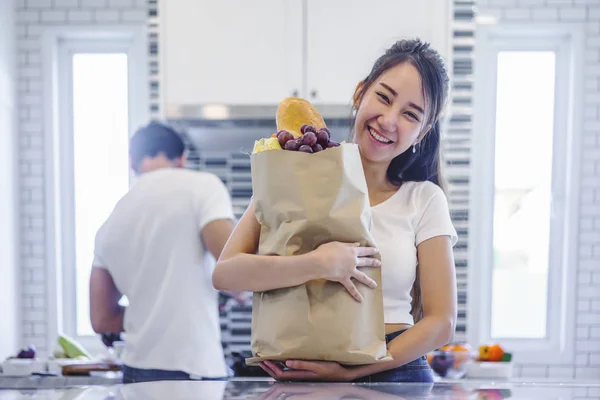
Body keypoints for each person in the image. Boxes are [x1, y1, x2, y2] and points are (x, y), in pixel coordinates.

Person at [212, 38, 458, 382]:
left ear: (422, 133)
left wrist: (350, 373)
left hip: (394, 372)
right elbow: (225, 274)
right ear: (360, 94)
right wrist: (316, 264)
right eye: (384, 97)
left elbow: (442, 323)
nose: (389, 120)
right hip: (304, 368)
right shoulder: (296, 170)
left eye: (410, 114)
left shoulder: (425, 199)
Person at [89, 122, 239, 383]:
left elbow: (102, 319)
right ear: (182, 158)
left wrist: (150, 309)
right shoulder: (202, 187)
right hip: (193, 368)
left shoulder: (110, 222)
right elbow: (236, 271)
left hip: (136, 371)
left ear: (132, 162)